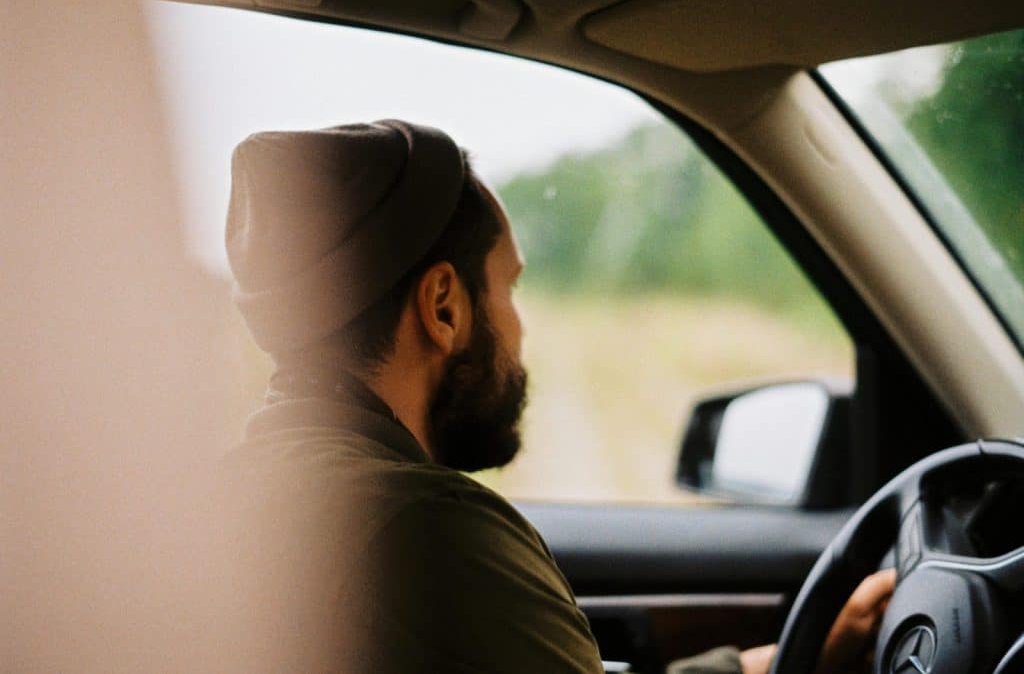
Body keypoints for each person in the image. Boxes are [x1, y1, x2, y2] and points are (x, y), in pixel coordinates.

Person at [215, 119, 894, 673]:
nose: (520, 324)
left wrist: (765, 667)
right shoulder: (430, 529)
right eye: (508, 287)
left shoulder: (241, 494)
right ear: (444, 306)